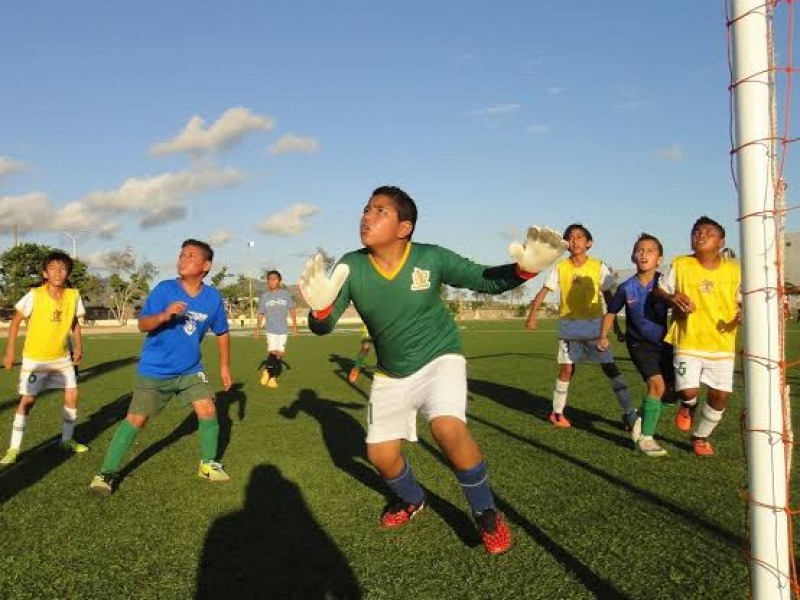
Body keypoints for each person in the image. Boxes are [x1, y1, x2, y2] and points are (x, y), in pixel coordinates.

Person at [298, 185, 566, 555]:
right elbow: (322, 328)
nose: (366, 217)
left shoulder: (431, 257)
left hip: (441, 358)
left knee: (446, 426)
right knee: (380, 456)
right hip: (391, 375)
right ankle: (412, 500)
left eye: (379, 211)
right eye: (365, 209)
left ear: (404, 227)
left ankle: (486, 512)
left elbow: (485, 279)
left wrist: (525, 270)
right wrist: (321, 310)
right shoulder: (352, 264)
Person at [89, 239, 232, 495]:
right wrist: (165, 315)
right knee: (136, 419)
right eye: (181, 255)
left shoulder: (212, 298)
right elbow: (143, 325)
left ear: (206, 266)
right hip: (156, 369)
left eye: (190, 256)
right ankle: (106, 473)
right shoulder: (164, 289)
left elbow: (222, 331)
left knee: (209, 410)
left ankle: (208, 464)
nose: (182, 260)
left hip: (190, 368)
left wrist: (224, 367)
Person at [526, 223, 640, 434]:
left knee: (610, 368)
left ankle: (629, 412)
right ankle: (557, 412)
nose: (574, 240)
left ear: (589, 243)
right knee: (567, 369)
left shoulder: (598, 266)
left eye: (579, 237)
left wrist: (613, 325)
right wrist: (532, 314)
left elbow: (609, 297)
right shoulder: (560, 267)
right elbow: (544, 291)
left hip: (595, 329)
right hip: (569, 329)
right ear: (566, 243)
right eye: (570, 237)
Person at [656, 216, 741, 457]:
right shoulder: (681, 264)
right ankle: (688, 406)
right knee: (688, 391)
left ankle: (700, 436)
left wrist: (744, 313)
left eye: (708, 232)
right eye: (696, 231)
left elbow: (743, 301)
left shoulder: (735, 270)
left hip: (722, 343)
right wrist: (672, 298)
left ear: (721, 241)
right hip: (688, 340)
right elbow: (659, 289)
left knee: (720, 397)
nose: (700, 235)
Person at [0, 251, 87, 466]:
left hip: (62, 358)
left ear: (67, 273)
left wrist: (78, 345)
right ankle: (14, 448)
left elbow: (74, 322)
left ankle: (66, 441)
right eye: (53, 268)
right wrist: (10, 352)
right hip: (35, 359)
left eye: (63, 268)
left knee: (72, 395)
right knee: (28, 401)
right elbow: (15, 320)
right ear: (45, 273)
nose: (58, 272)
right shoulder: (35, 295)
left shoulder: (73, 295)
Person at [598, 233, 675, 457]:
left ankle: (640, 416)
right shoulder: (626, 287)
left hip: (665, 344)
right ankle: (646, 439)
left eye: (650, 250)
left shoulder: (665, 283)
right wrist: (604, 336)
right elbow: (611, 312)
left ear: (659, 258)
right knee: (657, 387)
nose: (644, 254)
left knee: (672, 395)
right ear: (633, 256)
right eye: (640, 250)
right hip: (639, 344)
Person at [255, 270, 298, 388]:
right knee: (273, 353)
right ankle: (272, 377)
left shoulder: (285, 294)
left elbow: (292, 310)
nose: (272, 281)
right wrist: (257, 330)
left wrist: (295, 327)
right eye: (270, 279)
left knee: (280, 355)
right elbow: (260, 313)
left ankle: (268, 373)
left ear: (279, 281)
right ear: (267, 281)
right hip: (271, 329)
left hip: (283, 330)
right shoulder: (264, 296)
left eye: (274, 279)